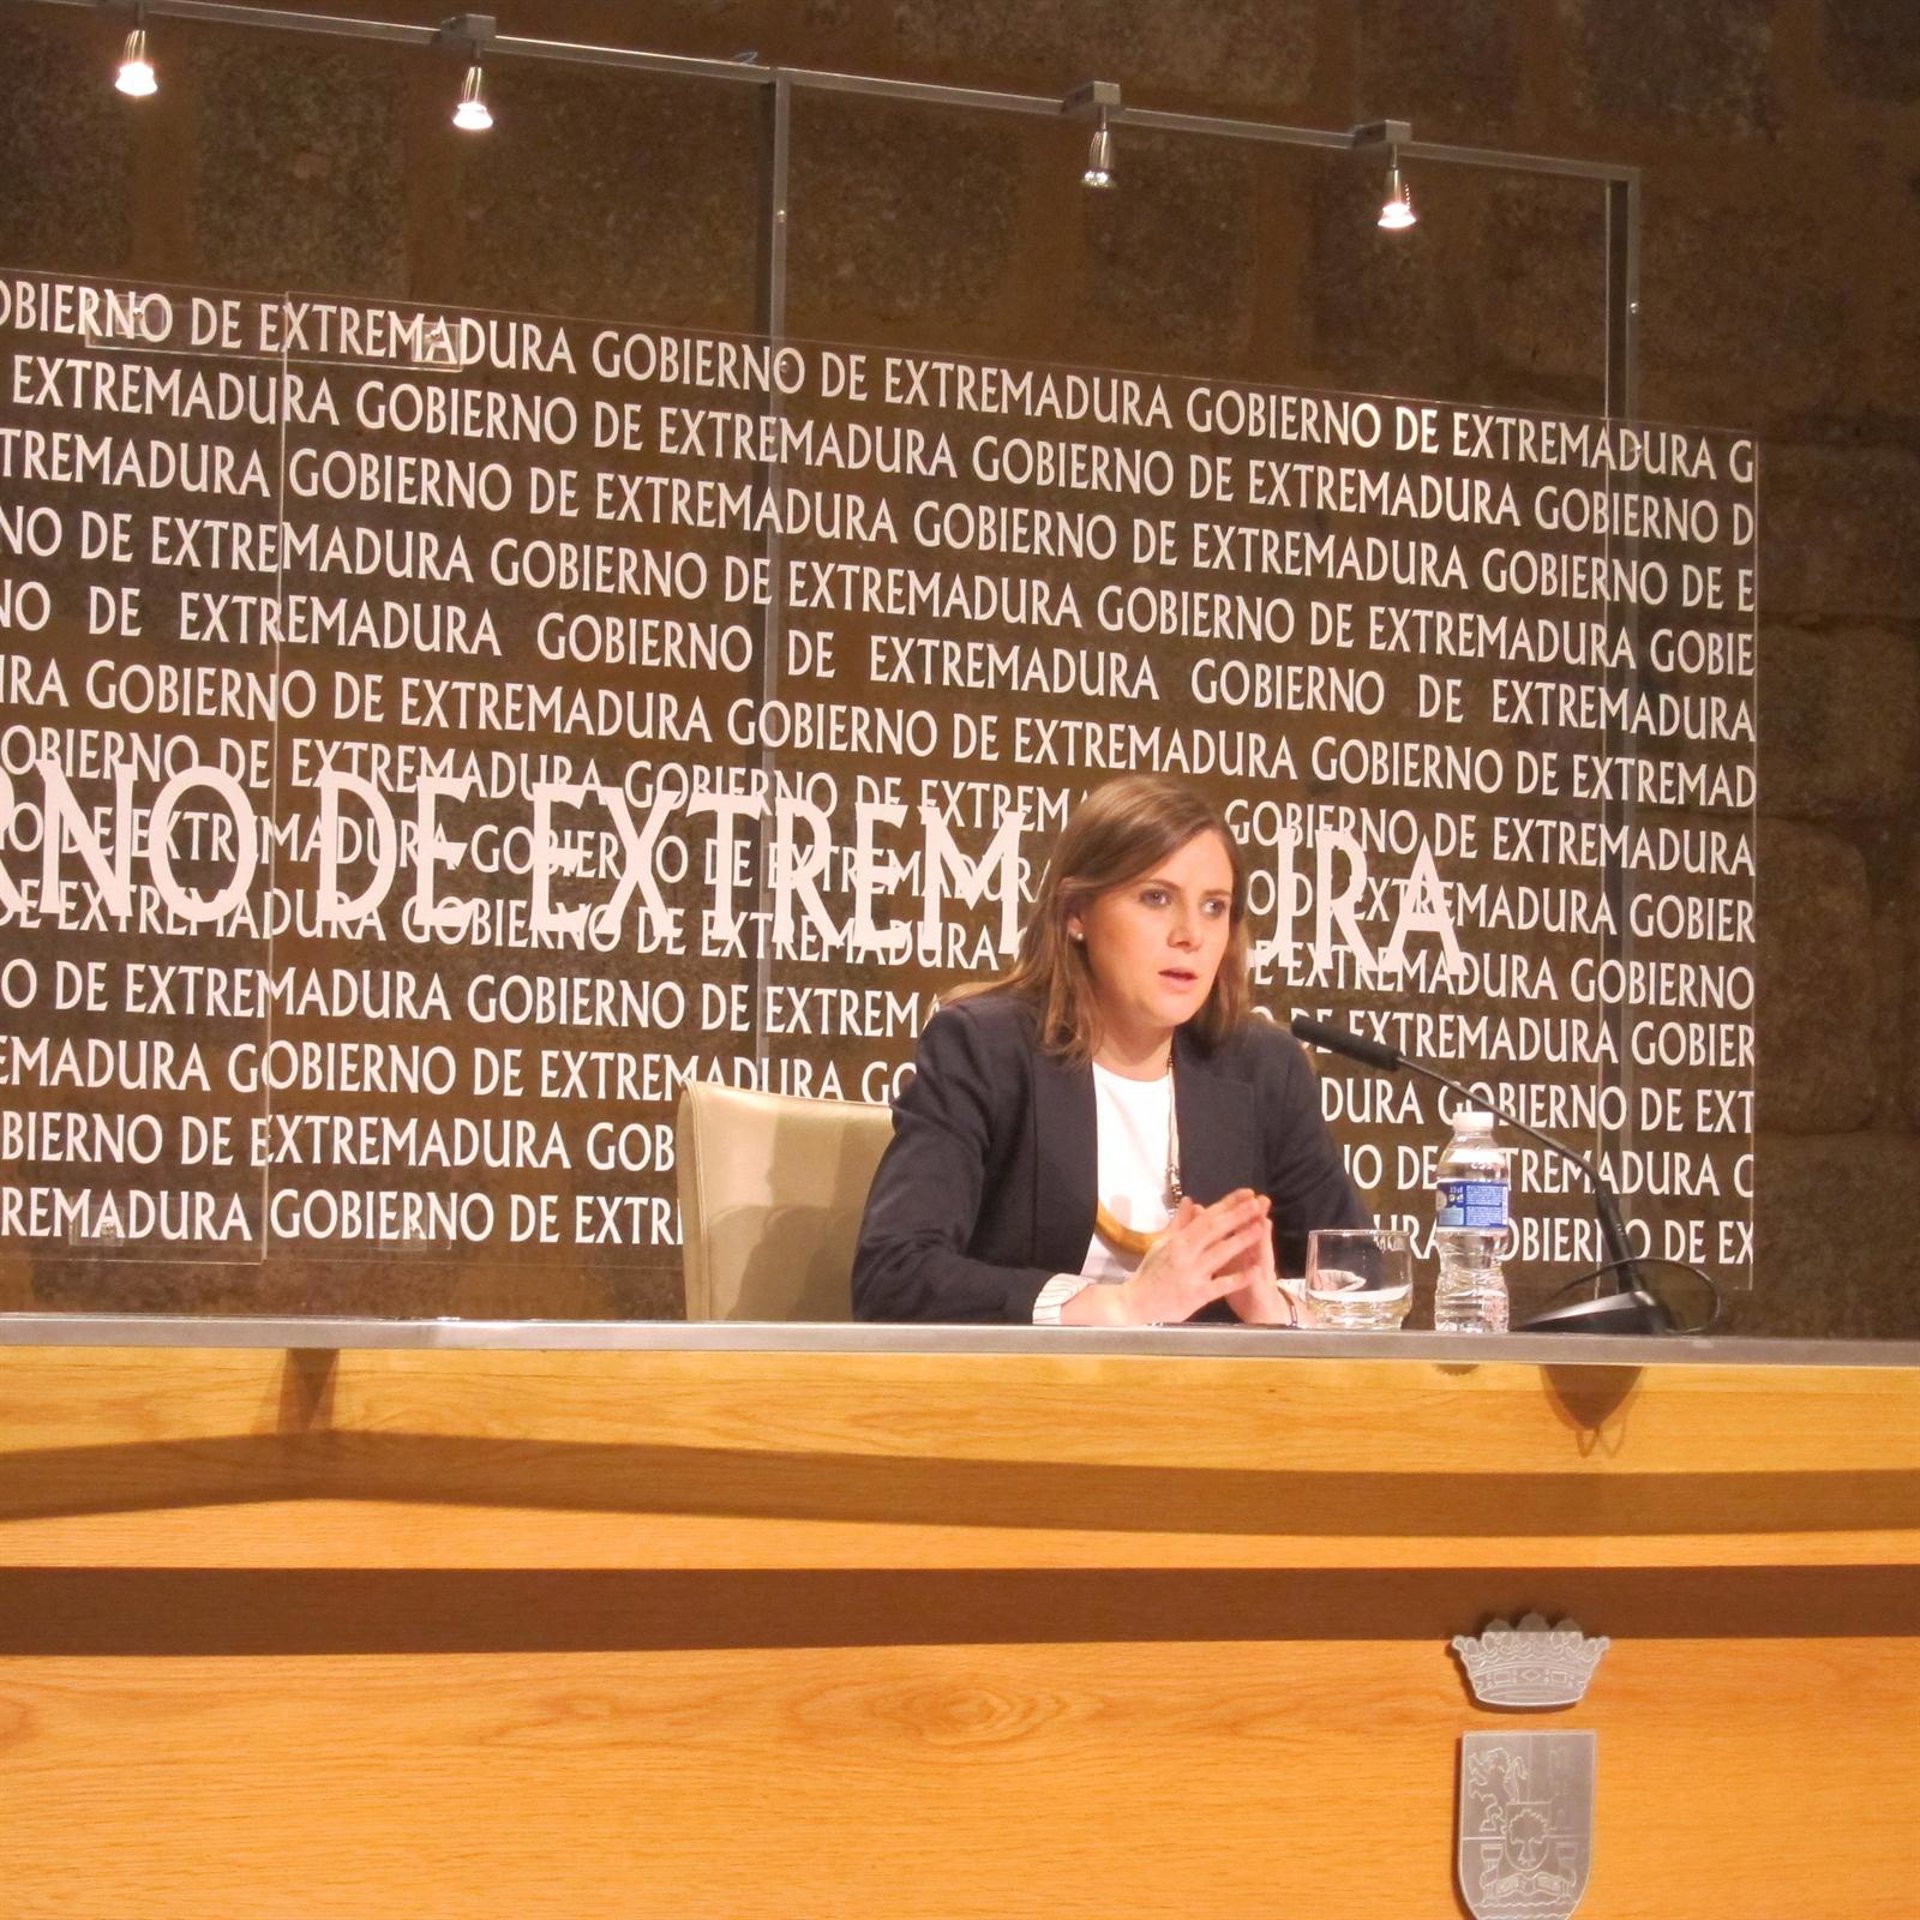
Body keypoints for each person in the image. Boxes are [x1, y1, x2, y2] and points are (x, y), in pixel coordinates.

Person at [853, 775, 1369, 1324]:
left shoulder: (1263, 1069)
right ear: (1076, 912)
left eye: (1214, 907)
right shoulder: (985, 1050)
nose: (1191, 934)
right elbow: (893, 1275)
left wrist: (1274, 1309)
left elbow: (1368, 1287)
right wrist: (1120, 1305)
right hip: (1032, 1379)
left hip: (1210, 1382)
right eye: (1156, 898)